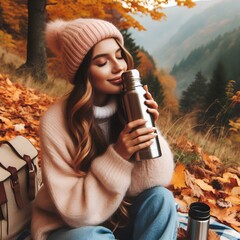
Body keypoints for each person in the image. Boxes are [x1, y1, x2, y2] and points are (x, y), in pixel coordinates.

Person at [31, 18, 178, 240]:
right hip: (68, 227)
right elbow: (76, 214)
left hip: (118, 217)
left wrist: (149, 130)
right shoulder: (55, 122)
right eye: (102, 62)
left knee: (162, 200)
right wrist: (119, 155)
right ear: (83, 72)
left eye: (119, 56)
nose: (118, 66)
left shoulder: (129, 104)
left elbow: (154, 181)